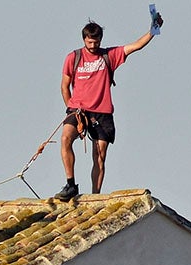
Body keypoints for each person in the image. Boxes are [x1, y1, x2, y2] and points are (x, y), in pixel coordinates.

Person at [55, 11, 163, 200]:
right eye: (89, 42)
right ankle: (70, 184)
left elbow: (136, 46)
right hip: (78, 109)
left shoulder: (109, 56)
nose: (93, 46)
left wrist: (153, 30)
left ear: (100, 40)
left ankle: (95, 196)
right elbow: (64, 86)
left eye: (96, 42)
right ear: (84, 40)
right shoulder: (73, 57)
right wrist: (71, 108)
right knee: (65, 139)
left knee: (100, 155)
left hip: (102, 112)